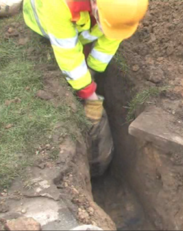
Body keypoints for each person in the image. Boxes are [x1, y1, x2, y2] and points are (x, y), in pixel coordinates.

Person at [22, 0, 148, 176]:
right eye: (107, 25)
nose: (108, 31)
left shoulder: (120, 8)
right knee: (70, 51)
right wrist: (88, 93)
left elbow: (112, 39)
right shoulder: (58, 5)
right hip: (45, 22)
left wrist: (93, 69)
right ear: (95, 5)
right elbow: (67, 53)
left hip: (85, 20)